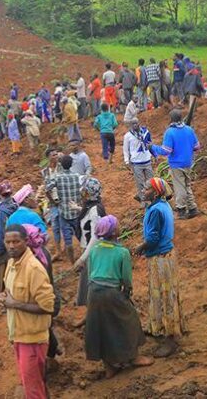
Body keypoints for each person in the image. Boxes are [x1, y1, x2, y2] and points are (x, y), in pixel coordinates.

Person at [84, 216, 153, 377]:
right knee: (129, 320)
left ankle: (109, 366)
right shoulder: (122, 252)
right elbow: (126, 280)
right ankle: (133, 357)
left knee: (100, 327)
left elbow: (90, 273)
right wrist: (127, 293)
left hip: (94, 293)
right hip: (112, 292)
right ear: (115, 232)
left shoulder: (94, 250)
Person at [0, 225, 55, 399]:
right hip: (19, 334)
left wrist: (14, 303)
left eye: (16, 241)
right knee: (33, 382)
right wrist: (6, 298)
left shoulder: (34, 269)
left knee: (33, 389)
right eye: (8, 242)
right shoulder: (10, 264)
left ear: (25, 242)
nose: (11, 246)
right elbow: (12, 292)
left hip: (33, 340)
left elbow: (47, 306)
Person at [134, 178, 186, 357]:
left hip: (160, 257)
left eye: (147, 188)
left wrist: (141, 247)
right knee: (167, 293)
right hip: (166, 254)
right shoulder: (161, 205)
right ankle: (159, 326)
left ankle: (170, 340)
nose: (143, 189)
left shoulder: (156, 210)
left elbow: (153, 238)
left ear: (155, 193)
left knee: (164, 296)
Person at [151, 109, 200, 219]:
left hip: (177, 164)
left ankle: (181, 209)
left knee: (180, 187)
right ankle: (192, 208)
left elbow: (166, 151)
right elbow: (197, 147)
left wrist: (153, 147)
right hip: (188, 162)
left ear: (171, 119)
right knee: (187, 185)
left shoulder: (170, 132)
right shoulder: (189, 129)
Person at [72, 178, 106, 325]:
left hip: (93, 252)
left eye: (85, 191)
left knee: (92, 286)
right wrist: (78, 208)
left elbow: (96, 236)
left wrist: (82, 258)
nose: (82, 194)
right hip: (90, 252)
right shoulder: (92, 207)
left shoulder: (95, 210)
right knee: (88, 286)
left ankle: (93, 318)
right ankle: (91, 315)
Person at [45, 155, 83, 264]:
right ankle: (84, 258)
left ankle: (72, 264)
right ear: (71, 164)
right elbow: (84, 189)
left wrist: (53, 201)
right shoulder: (77, 176)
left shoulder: (57, 177)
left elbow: (47, 189)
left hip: (64, 212)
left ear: (61, 165)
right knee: (80, 236)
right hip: (76, 210)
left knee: (68, 240)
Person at [0, 181, 18, 293]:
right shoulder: (15, 206)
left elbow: (0, 232)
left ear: (0, 194)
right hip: (17, 243)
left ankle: (2, 297)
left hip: (4, 246)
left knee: (1, 274)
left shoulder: (1, 211)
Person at [122, 117, 154, 206]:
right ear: (130, 125)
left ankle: (151, 199)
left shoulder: (145, 132)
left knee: (151, 181)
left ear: (139, 123)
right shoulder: (128, 136)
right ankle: (143, 201)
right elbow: (125, 149)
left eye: (136, 123)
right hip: (136, 163)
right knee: (140, 183)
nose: (135, 125)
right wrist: (126, 161)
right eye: (133, 124)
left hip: (147, 160)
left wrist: (153, 154)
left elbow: (150, 144)